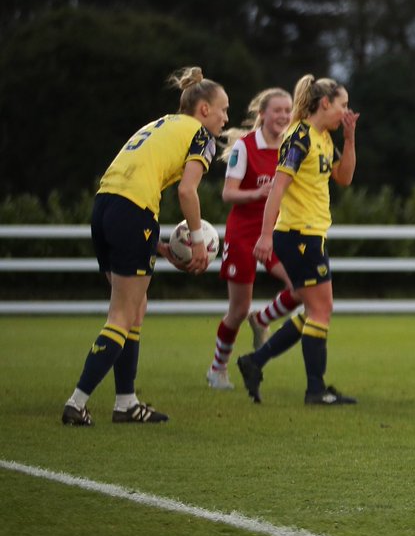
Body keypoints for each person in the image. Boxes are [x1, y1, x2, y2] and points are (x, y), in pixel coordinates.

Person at [62, 67, 229, 425]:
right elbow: (187, 191)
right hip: (132, 211)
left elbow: (134, 184)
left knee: (135, 308)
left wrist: (161, 247)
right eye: (223, 110)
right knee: (122, 315)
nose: (225, 118)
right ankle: (77, 402)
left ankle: (126, 402)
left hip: (105, 206)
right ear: (203, 110)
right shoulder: (202, 136)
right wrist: (198, 242)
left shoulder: (162, 123)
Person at [236, 75, 358, 406]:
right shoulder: (299, 136)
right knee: (322, 309)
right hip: (298, 234)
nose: (346, 111)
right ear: (325, 104)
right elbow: (277, 187)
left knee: (315, 310)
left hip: (310, 234)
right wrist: (264, 237)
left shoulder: (323, 138)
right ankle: (315, 390)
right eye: (343, 105)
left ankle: (255, 361)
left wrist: (349, 137)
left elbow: (344, 178)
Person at [205, 88, 303, 389]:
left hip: (276, 234)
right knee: (237, 309)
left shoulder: (293, 146)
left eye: (288, 111)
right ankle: (217, 369)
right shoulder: (245, 147)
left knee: (301, 288)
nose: (284, 116)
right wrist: (257, 193)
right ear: (262, 114)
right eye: (278, 110)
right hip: (244, 234)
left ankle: (262, 319)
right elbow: (228, 193)